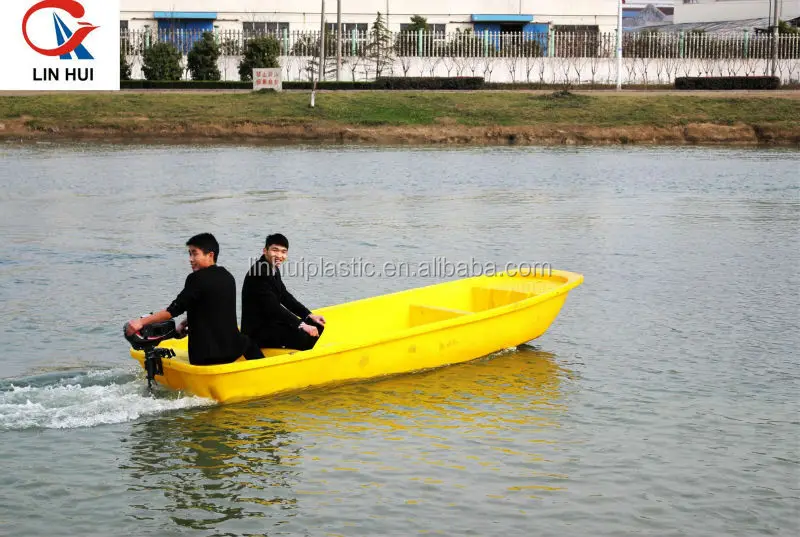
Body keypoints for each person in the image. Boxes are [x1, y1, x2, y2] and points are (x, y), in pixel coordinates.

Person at [125, 233, 263, 365]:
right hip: (232, 351)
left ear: (210, 255)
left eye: (194, 253)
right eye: (189, 253)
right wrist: (185, 322)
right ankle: (264, 372)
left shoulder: (195, 279)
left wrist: (141, 322)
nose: (190, 259)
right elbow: (212, 308)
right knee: (247, 341)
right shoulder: (228, 276)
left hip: (203, 357)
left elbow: (172, 311)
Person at [241, 233, 326, 351]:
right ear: (265, 250)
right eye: (275, 250)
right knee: (303, 334)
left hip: (271, 322)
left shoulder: (272, 267)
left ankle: (295, 350)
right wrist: (302, 325)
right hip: (258, 330)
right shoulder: (259, 272)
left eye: (283, 252)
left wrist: (309, 315)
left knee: (316, 324)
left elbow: (284, 296)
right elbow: (273, 307)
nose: (279, 255)